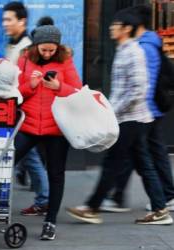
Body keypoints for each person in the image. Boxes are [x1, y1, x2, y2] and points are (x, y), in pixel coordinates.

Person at [65, 9, 173, 225]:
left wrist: (114, 111)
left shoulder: (134, 52)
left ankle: (92, 207)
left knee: (114, 162)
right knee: (143, 163)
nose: (111, 28)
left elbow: (138, 89)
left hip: (132, 118)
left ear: (127, 28)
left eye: (117, 25)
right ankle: (160, 208)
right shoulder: (124, 49)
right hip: (133, 117)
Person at [101, 5, 174, 213]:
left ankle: (164, 197)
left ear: (134, 24)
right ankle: (118, 196)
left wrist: (140, 113)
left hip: (146, 112)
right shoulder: (142, 43)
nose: (114, 28)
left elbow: (144, 84)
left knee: (144, 156)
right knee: (138, 156)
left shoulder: (145, 46)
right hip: (143, 112)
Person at [15, 24, 82, 240]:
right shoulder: (25, 59)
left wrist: (59, 87)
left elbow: (77, 91)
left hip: (56, 127)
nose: (47, 53)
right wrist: (30, 84)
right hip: (29, 125)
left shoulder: (65, 60)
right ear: (36, 46)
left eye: (51, 50)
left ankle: (50, 221)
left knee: (56, 174)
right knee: (5, 161)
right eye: (43, 49)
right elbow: (15, 92)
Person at [2, 1, 49, 215]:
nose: (5, 23)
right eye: (4, 19)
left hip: (23, 110)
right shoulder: (14, 44)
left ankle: (44, 199)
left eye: (8, 19)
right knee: (28, 157)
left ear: (22, 21)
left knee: (26, 156)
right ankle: (43, 199)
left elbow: (23, 81)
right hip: (14, 108)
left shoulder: (27, 49)